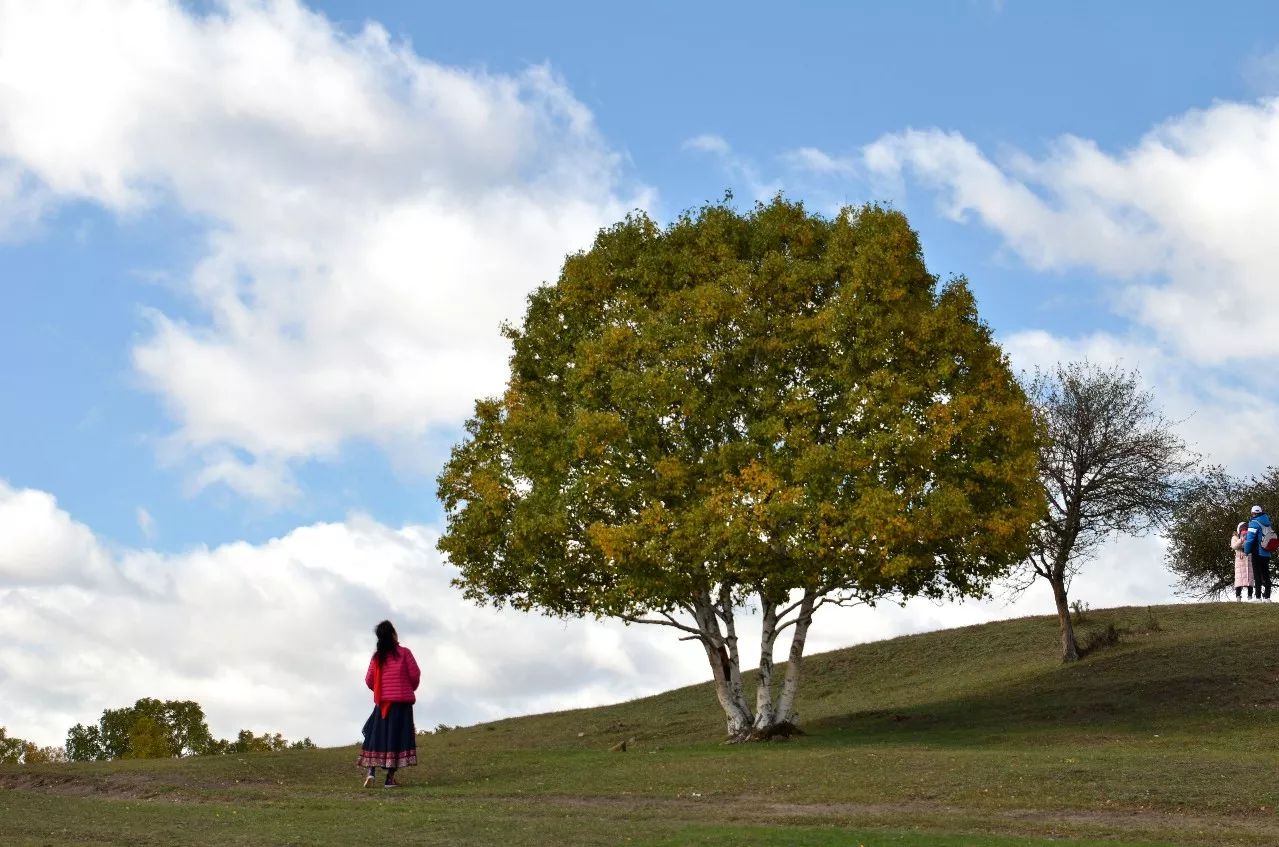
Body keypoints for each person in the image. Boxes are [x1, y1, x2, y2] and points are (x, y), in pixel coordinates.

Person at [357, 620, 421, 787]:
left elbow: (369, 680)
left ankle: (371, 772)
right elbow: (415, 675)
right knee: (397, 740)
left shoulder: (377, 657)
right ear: (393, 634)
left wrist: (381, 690)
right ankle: (389, 779)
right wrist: (408, 687)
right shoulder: (404, 653)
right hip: (401, 704)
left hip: (382, 704)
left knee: (376, 737)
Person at [1244, 505, 1274, 601]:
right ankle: (1267, 597)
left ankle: (1257, 598)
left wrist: (1246, 551)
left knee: (1257, 575)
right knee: (1266, 574)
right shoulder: (1268, 522)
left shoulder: (1254, 523)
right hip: (1267, 552)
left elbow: (1249, 540)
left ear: (1253, 513)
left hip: (1257, 552)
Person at [1232, 521, 1254, 600]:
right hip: (1240, 560)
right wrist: (1241, 540)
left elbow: (1252, 546)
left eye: (1246, 529)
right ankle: (1238, 596)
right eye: (1242, 529)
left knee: (1250, 578)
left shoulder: (1250, 537)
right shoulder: (1235, 537)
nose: (1244, 530)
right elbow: (1234, 546)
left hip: (1249, 559)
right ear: (1239, 530)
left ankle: (1250, 597)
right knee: (1239, 579)